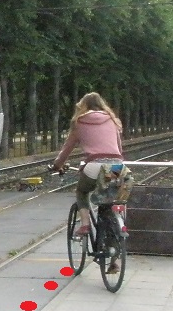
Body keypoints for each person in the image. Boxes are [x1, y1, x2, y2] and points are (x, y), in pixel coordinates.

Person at [52, 92, 125, 267]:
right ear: (102, 105)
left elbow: (67, 148)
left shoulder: (79, 122)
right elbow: (119, 149)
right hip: (116, 166)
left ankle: (84, 225)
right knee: (108, 200)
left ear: (82, 106)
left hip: (94, 166)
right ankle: (113, 246)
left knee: (82, 191)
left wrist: (57, 164)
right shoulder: (112, 120)